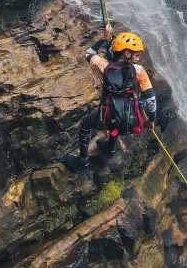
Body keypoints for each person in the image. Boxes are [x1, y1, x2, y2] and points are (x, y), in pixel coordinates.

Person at [63, 23, 158, 174]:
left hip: (106, 120)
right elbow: (151, 99)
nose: (138, 59)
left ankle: (81, 162)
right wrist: (151, 121)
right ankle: (110, 148)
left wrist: (104, 39)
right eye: (137, 55)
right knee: (122, 111)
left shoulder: (104, 65)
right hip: (131, 122)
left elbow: (88, 53)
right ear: (127, 54)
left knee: (86, 123)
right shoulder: (139, 71)